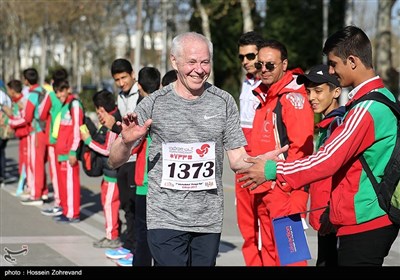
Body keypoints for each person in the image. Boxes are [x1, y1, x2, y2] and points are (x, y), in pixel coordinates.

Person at [108, 32, 287, 266]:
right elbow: (115, 160)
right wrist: (126, 141)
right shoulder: (154, 103)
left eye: (205, 62)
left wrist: (263, 163)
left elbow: (237, 159)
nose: (199, 70)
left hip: (207, 221)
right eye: (192, 62)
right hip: (165, 218)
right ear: (175, 61)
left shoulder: (223, 101)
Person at [238, 25, 400, 266]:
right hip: (343, 214)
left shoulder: (365, 108)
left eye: (334, 64)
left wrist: (273, 171)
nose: (332, 70)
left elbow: (325, 160)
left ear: (353, 61)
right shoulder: (373, 101)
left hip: (361, 217)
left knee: (290, 259)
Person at [245, 39, 315, 266]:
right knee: (269, 252)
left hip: (283, 190)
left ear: (284, 64)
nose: (263, 69)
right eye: (259, 65)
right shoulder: (265, 97)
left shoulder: (292, 98)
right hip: (263, 188)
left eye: (270, 65)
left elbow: (302, 149)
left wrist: (285, 187)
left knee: (290, 257)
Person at [296, 64, 344, 266]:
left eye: (318, 91)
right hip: (324, 216)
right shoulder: (327, 124)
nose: (311, 98)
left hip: (334, 219)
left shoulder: (339, 124)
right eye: (308, 92)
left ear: (336, 91)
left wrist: (332, 211)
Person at [116, 66, 160, 267]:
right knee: (161, 235)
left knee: (143, 232)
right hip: (163, 183)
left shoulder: (143, 109)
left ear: (139, 85)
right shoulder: (166, 107)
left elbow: (133, 145)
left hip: (143, 179)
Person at [101, 58, 141, 262]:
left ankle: (136, 250)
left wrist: (114, 125)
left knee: (135, 205)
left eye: (124, 77)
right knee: (127, 204)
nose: (121, 83)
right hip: (125, 157)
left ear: (132, 74)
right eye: (117, 79)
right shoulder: (121, 96)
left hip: (137, 158)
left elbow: (134, 130)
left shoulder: (140, 94)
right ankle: (129, 245)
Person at [235, 31, 265, 266]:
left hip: (263, 157)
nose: (245, 61)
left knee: (268, 222)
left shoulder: (270, 83)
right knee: (246, 223)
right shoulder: (246, 83)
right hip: (243, 156)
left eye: (250, 55)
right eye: (242, 57)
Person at [80, 89, 122, 248]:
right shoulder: (109, 120)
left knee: (110, 205)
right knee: (108, 205)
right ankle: (111, 234)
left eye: (98, 110)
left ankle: (113, 238)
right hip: (108, 174)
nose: (97, 113)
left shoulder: (112, 121)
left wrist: (88, 140)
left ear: (102, 108)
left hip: (112, 175)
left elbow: (107, 149)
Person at [8, 68, 48, 205]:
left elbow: (27, 117)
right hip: (43, 130)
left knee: (34, 163)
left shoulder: (32, 95)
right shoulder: (42, 90)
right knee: (39, 162)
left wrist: (11, 122)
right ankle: (42, 192)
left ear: (26, 80)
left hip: (35, 132)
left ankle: (35, 194)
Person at [52, 79, 83, 223]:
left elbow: (77, 128)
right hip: (61, 152)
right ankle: (66, 210)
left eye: (61, 92)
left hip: (69, 152)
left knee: (70, 184)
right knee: (64, 184)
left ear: (67, 89)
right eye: (57, 93)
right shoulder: (64, 105)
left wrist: (73, 151)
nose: (59, 95)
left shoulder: (74, 104)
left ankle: (72, 213)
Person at [39, 68, 68, 216]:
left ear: (52, 82)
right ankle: (67, 202)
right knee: (65, 174)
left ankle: (59, 203)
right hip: (67, 140)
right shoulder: (70, 96)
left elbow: (41, 113)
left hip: (53, 139)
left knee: (55, 173)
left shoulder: (51, 95)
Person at [3, 80, 29, 193]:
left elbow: (23, 118)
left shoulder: (22, 102)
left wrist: (9, 122)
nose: (7, 92)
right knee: (23, 161)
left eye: (8, 90)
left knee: (27, 162)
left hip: (28, 135)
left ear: (12, 90)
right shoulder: (16, 101)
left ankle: (27, 186)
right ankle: (24, 185)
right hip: (21, 135)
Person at [0, 81, 12, 187]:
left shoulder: (1, 96)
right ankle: (2, 175)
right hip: (6, 127)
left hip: (1, 126)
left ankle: (1, 176)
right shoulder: (7, 96)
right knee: (2, 152)